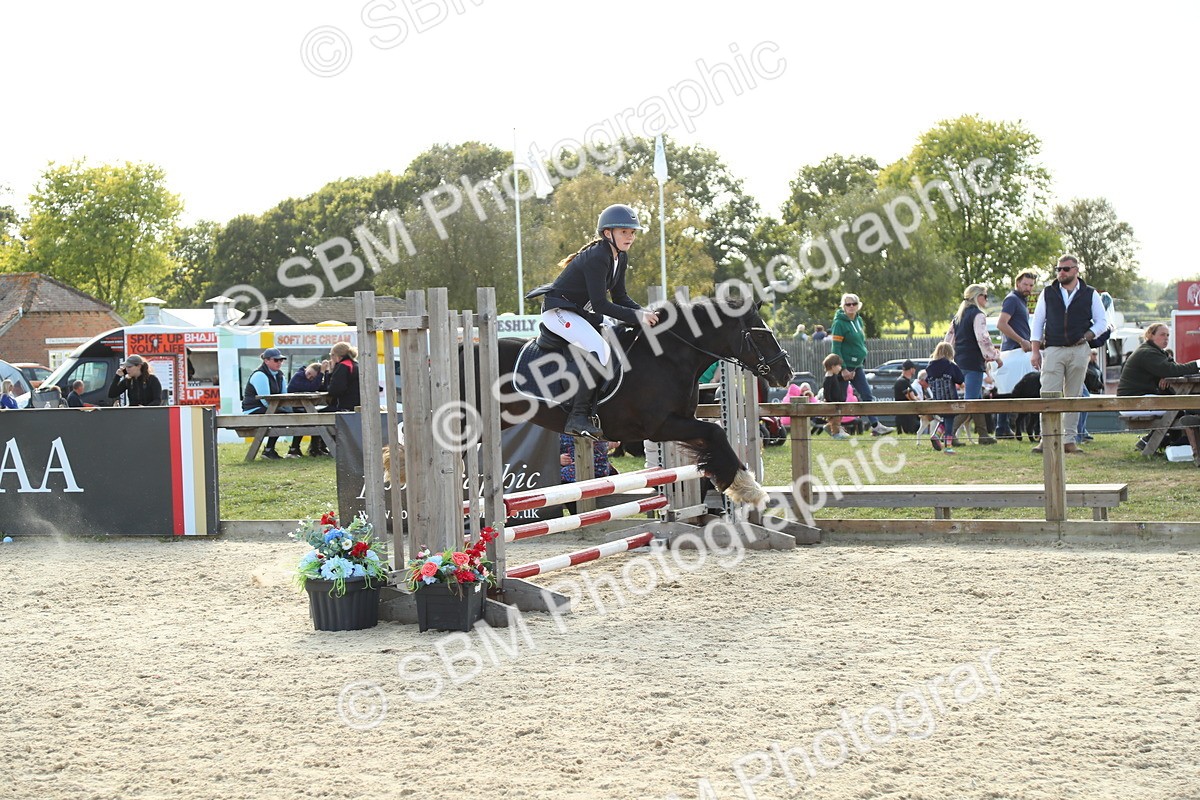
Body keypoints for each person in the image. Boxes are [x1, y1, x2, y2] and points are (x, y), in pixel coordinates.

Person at [525, 203, 660, 440]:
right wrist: (638, 317)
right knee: (600, 348)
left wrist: (644, 313)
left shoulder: (620, 256)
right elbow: (601, 304)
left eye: (632, 232)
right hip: (559, 312)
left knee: (615, 341)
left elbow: (620, 297)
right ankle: (577, 417)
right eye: (624, 232)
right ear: (608, 233)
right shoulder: (598, 256)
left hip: (580, 313)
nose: (630, 236)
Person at [1029, 254, 1109, 454]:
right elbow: (1038, 322)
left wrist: (1089, 335)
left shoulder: (1090, 294)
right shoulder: (1048, 292)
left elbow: (1103, 322)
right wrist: (1035, 351)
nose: (1061, 273)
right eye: (1058, 269)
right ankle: (1046, 439)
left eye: (1065, 269)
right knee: (1048, 393)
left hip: (1079, 349)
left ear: (1076, 270)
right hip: (1054, 348)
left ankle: (1069, 440)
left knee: (1074, 396)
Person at [829, 293, 893, 435]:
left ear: (858, 305)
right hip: (845, 366)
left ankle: (875, 426)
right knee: (840, 398)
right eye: (848, 304)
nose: (851, 307)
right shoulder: (839, 323)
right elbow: (836, 348)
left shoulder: (858, 320)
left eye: (854, 304)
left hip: (857, 366)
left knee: (866, 394)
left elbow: (859, 342)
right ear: (843, 306)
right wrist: (843, 369)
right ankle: (834, 428)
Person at [946, 284, 1003, 445]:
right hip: (973, 363)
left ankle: (983, 434)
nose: (986, 299)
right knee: (971, 403)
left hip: (960, 362)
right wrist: (995, 356)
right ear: (977, 297)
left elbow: (949, 340)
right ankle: (947, 433)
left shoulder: (958, 317)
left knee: (978, 399)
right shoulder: (978, 315)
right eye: (985, 295)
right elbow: (983, 339)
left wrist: (947, 359)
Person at [995, 271, 1037, 438]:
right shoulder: (1012, 299)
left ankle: (1004, 427)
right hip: (1014, 351)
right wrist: (1021, 340)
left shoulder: (1021, 300)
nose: (1028, 288)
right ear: (1018, 283)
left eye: (1031, 285)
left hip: (1020, 351)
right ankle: (1001, 428)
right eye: (1025, 284)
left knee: (1012, 389)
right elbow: (1001, 324)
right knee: (1010, 390)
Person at [243, 347, 288, 460]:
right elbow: (266, 401)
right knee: (281, 416)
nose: (279, 362)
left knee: (291, 414)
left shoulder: (280, 376)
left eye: (281, 360)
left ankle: (271, 450)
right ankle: (269, 450)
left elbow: (284, 396)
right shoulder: (260, 375)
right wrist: (282, 410)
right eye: (276, 360)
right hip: (253, 410)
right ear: (266, 361)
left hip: (269, 409)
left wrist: (289, 410)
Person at [925, 342, 965, 454]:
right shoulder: (950, 366)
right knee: (949, 422)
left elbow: (927, 381)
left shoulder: (930, 367)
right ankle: (948, 447)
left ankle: (936, 435)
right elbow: (960, 379)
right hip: (950, 399)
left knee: (946, 419)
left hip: (937, 399)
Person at [286, 363, 325, 457]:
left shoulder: (306, 377)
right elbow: (312, 388)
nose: (309, 377)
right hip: (292, 407)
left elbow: (323, 387)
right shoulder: (298, 375)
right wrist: (321, 374)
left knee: (315, 417)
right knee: (309, 418)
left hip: (302, 407)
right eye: (308, 373)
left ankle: (314, 448)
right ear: (306, 369)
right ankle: (297, 448)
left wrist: (325, 374)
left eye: (312, 377)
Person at [322, 341, 361, 413]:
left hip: (345, 408)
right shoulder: (356, 365)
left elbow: (334, 391)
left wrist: (330, 373)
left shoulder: (342, 366)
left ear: (337, 356)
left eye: (332, 355)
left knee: (314, 413)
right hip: (358, 405)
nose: (331, 358)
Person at [821, 353, 851, 440]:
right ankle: (835, 434)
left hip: (837, 402)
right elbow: (826, 392)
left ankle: (829, 427)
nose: (840, 368)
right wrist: (830, 402)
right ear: (833, 366)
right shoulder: (828, 378)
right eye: (839, 366)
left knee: (837, 419)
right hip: (833, 403)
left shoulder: (834, 376)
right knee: (835, 419)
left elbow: (838, 380)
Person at [892, 360, 920, 434]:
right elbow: (912, 398)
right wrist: (917, 398)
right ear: (911, 369)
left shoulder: (905, 382)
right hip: (905, 418)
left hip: (908, 416)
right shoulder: (902, 382)